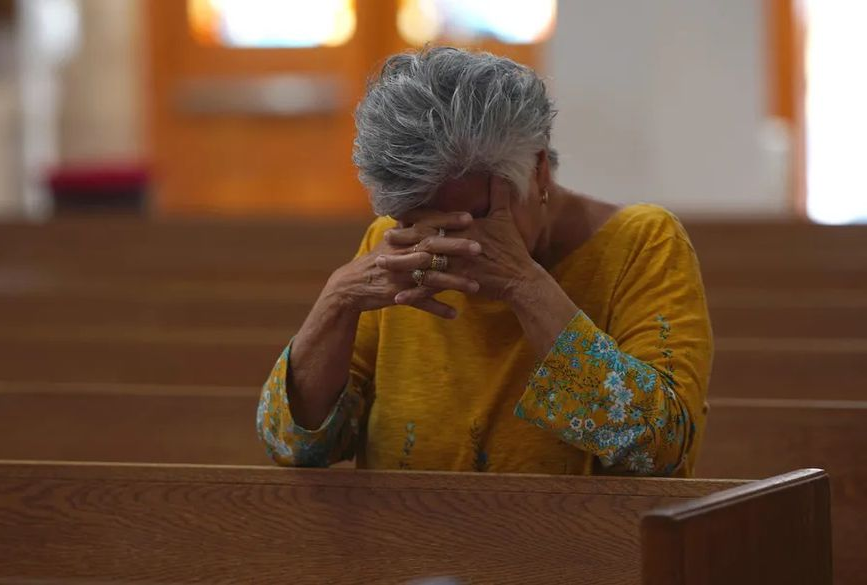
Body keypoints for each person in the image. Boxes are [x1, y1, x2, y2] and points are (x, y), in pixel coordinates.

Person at [257, 47, 712, 476]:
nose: (447, 244)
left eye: (476, 217)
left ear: (537, 170)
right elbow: (297, 446)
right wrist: (339, 299)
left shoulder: (642, 243)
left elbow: (659, 450)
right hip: (404, 548)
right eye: (420, 222)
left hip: (575, 549)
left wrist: (524, 284)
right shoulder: (392, 248)